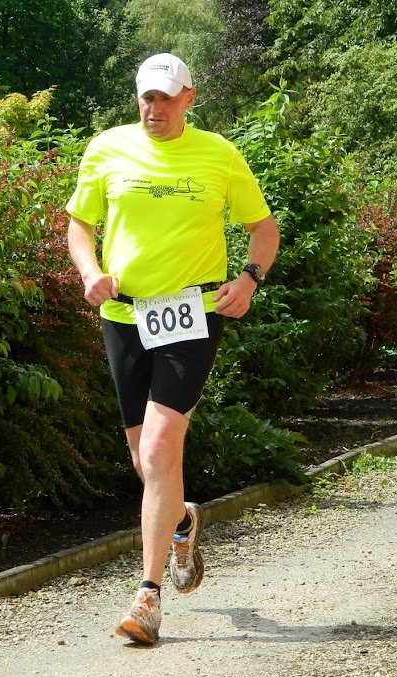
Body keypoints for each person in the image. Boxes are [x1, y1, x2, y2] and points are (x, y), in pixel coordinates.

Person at [65, 53, 280, 644]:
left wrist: (249, 280)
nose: (153, 108)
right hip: (124, 314)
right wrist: (89, 272)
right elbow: (80, 225)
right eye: (146, 97)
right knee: (146, 461)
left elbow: (263, 230)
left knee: (161, 447)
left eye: (164, 97)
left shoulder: (219, 154)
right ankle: (182, 519)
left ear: (189, 97)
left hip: (192, 313)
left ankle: (148, 596)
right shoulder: (107, 148)